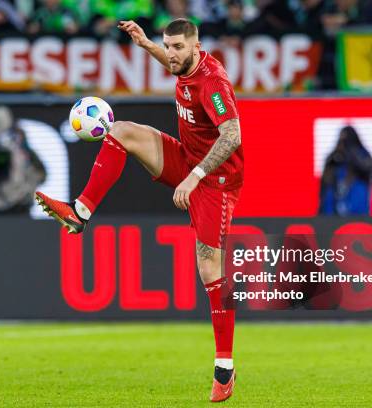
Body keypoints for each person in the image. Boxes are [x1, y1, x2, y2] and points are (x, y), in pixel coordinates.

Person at [36, 18, 243, 402]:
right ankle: (80, 212)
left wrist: (194, 176)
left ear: (197, 48)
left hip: (214, 180)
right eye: (169, 46)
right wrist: (146, 44)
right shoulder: (182, 64)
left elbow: (233, 134)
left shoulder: (213, 83)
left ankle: (225, 368)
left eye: (178, 47)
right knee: (121, 130)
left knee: (209, 267)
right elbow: (170, 61)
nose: (172, 54)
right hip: (187, 159)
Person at [319, 126, 372, 216]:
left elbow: (367, 169)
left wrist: (352, 155)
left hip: (357, 207)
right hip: (333, 210)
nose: (345, 143)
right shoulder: (334, 157)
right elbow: (325, 182)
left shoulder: (363, 155)